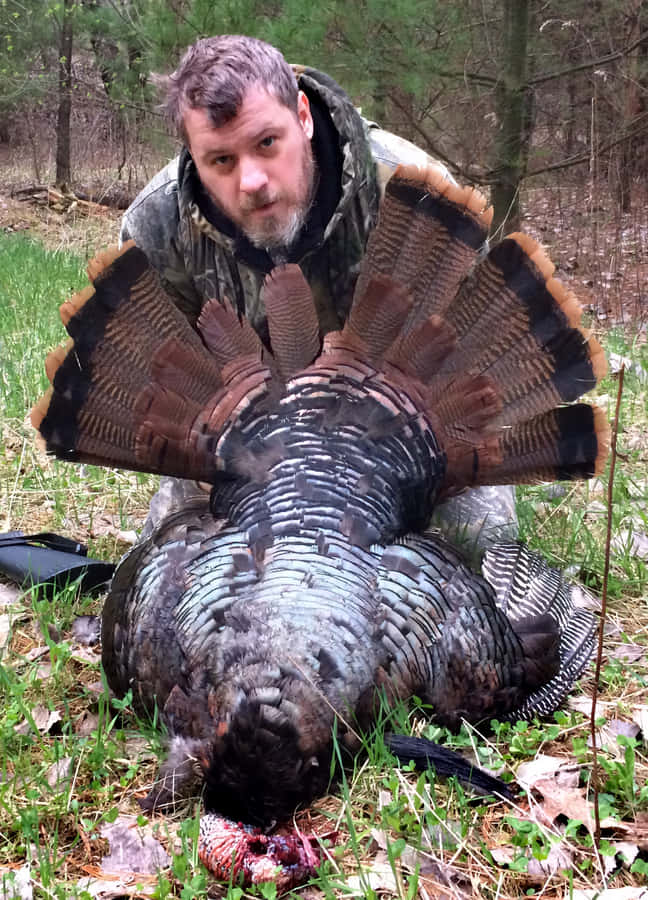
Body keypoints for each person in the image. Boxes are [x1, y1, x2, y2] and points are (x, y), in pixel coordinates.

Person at [121, 34, 517, 555]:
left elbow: (476, 352)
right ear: (194, 157)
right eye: (222, 161)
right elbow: (165, 382)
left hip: (402, 434)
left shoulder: (409, 191)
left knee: (486, 548)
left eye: (267, 143)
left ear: (302, 117)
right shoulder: (159, 224)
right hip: (248, 441)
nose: (253, 181)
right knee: (168, 567)